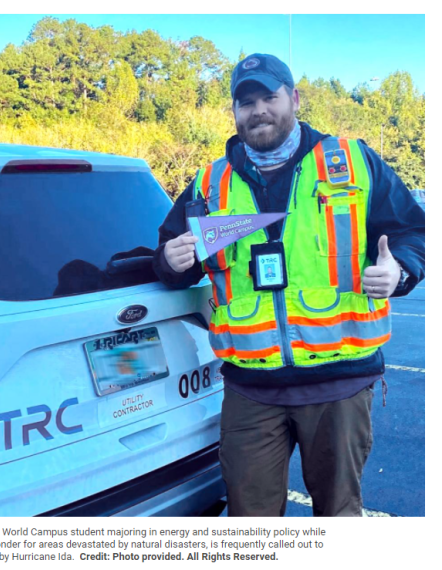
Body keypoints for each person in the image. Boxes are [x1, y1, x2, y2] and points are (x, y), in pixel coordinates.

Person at [152, 53, 425, 517]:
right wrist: (171, 260)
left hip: (339, 383)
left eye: (268, 97)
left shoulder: (353, 161)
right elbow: (171, 256)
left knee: (338, 516)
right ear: (234, 112)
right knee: (251, 525)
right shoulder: (208, 184)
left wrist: (400, 269)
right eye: (246, 102)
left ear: (293, 99)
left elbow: (413, 232)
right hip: (250, 389)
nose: (258, 110)